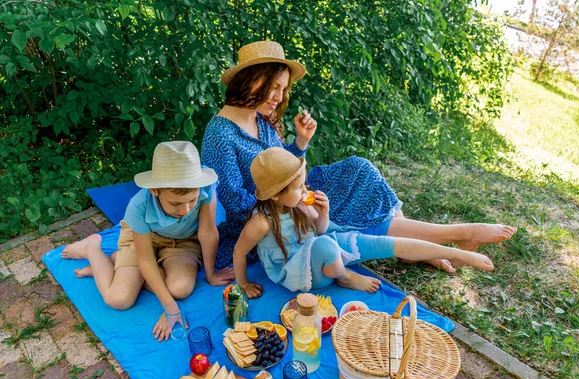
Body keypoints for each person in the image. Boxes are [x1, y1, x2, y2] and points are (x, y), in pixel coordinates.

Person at [201, 40, 516, 272]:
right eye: (273, 86)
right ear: (250, 79)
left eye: (283, 89)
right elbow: (236, 203)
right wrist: (295, 198)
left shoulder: (260, 119)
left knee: (359, 169)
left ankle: (420, 247)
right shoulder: (220, 133)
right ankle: (455, 235)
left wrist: (300, 142)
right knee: (341, 210)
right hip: (273, 210)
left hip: (293, 189)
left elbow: (284, 164)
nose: (279, 97)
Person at [233, 148, 496, 298]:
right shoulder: (262, 222)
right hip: (302, 274)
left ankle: (454, 251)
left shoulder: (299, 204)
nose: (305, 190)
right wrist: (243, 283)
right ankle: (346, 277)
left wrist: (324, 213)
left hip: (321, 254)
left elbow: (321, 229)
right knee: (326, 245)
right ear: (276, 195)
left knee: (379, 244)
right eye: (299, 187)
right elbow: (239, 251)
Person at [61, 141, 235, 341]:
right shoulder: (139, 206)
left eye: (192, 201)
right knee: (119, 299)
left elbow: (207, 233)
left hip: (184, 240)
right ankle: (92, 248)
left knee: (180, 289)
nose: (185, 210)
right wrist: (169, 306)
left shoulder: (205, 185)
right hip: (142, 242)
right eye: (175, 203)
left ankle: (119, 266)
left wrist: (211, 274)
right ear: (155, 190)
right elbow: (145, 259)